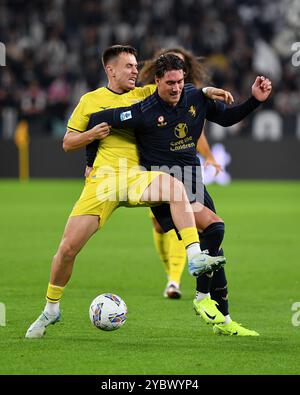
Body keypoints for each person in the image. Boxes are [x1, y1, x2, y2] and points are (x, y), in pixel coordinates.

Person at [25, 45, 225, 339]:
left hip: (136, 177)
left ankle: (194, 255)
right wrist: (92, 136)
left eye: (135, 66)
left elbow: (180, 91)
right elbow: (68, 142)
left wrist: (206, 91)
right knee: (67, 250)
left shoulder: (145, 94)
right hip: (103, 183)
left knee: (174, 185)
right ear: (111, 69)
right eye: (130, 66)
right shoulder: (90, 100)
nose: (135, 70)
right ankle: (51, 308)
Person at [85, 54, 272, 336]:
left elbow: (227, 118)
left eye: (180, 82)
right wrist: (89, 161)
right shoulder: (142, 110)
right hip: (164, 187)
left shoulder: (194, 98)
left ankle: (224, 320)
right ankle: (200, 300)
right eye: (170, 82)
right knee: (215, 229)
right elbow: (97, 119)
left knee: (215, 250)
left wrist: (255, 100)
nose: (175, 88)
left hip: (193, 182)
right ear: (157, 80)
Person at [139, 47, 222, 299]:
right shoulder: (149, 97)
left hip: (183, 170)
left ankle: (175, 280)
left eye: (182, 72)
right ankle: (173, 275)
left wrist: (208, 156)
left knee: (184, 220)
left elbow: (196, 133)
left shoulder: (190, 94)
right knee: (159, 225)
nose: (176, 83)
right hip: (154, 170)